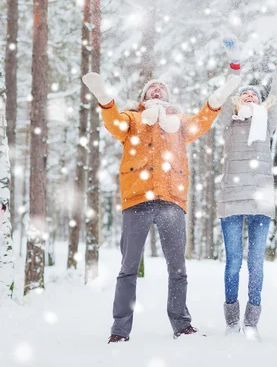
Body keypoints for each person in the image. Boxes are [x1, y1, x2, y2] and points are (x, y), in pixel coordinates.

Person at [82, 71, 240, 343]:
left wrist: (217, 99)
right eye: (152, 89)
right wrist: (105, 100)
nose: (157, 91)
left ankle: (181, 324)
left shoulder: (178, 123)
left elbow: (202, 122)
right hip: (137, 200)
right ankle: (120, 330)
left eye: (161, 89)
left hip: (171, 201)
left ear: (168, 97)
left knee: (178, 268)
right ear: (143, 97)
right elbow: (113, 123)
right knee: (128, 268)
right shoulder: (132, 120)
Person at [217, 32, 277, 341]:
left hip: (261, 201)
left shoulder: (267, 122)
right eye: (246, 95)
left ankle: (251, 321)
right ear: (239, 100)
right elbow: (226, 94)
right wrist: (234, 66)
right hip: (231, 200)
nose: (250, 98)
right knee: (233, 262)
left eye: (254, 95)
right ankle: (231, 319)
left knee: (256, 264)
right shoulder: (230, 121)